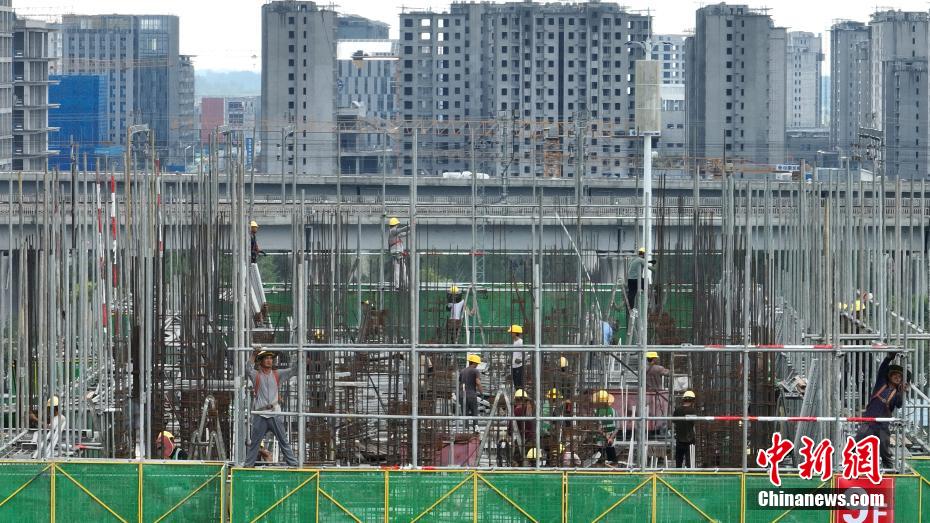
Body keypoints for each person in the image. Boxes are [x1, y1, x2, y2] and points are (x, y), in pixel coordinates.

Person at [244, 347, 300, 467]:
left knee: (283, 441)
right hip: (260, 414)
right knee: (255, 443)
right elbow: (248, 369)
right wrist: (254, 354)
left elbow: (294, 371)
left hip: (274, 413)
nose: (270, 361)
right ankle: (248, 466)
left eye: (271, 358)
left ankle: (294, 465)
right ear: (261, 361)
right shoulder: (256, 375)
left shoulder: (277, 374)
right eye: (267, 358)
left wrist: (298, 355)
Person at [856, 351, 907, 468]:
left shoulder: (897, 393)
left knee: (884, 449)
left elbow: (899, 405)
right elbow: (882, 370)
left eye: (900, 377)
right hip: (869, 422)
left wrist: (903, 392)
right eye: (895, 375)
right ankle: (856, 467)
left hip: (883, 425)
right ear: (889, 376)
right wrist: (889, 358)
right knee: (858, 442)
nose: (897, 378)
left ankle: (889, 470)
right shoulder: (881, 384)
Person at [593, 390, 618, 465]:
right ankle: (613, 465)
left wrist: (606, 437)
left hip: (601, 438)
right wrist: (611, 438)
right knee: (612, 456)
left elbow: (598, 428)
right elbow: (617, 427)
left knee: (599, 455)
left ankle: (599, 467)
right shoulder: (614, 411)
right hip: (611, 437)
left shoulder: (596, 412)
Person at [673, 391, 697, 468]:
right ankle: (689, 477)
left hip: (679, 439)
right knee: (690, 462)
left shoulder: (677, 410)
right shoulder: (692, 411)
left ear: (683, 400)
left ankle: (678, 477)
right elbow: (693, 424)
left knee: (678, 461)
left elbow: (674, 422)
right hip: (690, 440)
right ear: (692, 400)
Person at [511, 389, 536, 464]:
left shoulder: (516, 411)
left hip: (521, 439)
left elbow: (510, 429)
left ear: (516, 400)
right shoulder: (531, 408)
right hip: (532, 439)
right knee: (534, 462)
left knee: (517, 461)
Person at [387, 217, 409, 289]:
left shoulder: (394, 233)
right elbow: (401, 230)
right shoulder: (393, 231)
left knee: (399, 269)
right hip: (397, 253)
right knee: (402, 269)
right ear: (395, 225)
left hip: (397, 253)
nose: (397, 226)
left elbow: (403, 234)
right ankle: (404, 284)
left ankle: (398, 285)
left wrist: (410, 231)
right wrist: (409, 226)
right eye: (397, 225)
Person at [460, 354, 483, 420]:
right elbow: (478, 382)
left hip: (462, 395)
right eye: (477, 363)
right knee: (474, 413)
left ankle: (466, 428)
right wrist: (481, 393)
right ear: (474, 363)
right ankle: (475, 428)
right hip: (471, 395)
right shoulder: (475, 371)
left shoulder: (462, 371)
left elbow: (461, 384)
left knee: (465, 414)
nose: (477, 365)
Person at [509, 324, 526, 389]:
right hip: (514, 366)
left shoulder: (520, 342)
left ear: (515, 333)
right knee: (515, 383)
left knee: (519, 384)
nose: (510, 333)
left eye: (511, 332)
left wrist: (521, 360)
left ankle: (521, 397)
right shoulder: (514, 341)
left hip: (519, 366)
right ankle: (518, 397)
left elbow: (526, 353)